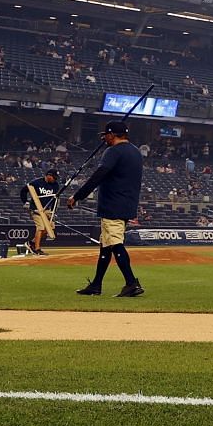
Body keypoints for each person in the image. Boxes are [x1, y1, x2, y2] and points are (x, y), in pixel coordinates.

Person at [67, 123, 145, 298]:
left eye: (105, 135)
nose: (103, 138)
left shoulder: (113, 152)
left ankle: (132, 283)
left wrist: (78, 196)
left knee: (115, 243)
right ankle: (96, 284)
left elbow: (99, 175)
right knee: (106, 246)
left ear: (112, 135)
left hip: (113, 205)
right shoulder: (135, 152)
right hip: (127, 203)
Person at [22, 167, 60, 255]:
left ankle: (31, 243)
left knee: (49, 228)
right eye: (54, 177)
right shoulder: (36, 182)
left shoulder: (55, 185)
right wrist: (26, 202)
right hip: (36, 208)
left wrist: (53, 211)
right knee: (41, 228)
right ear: (49, 176)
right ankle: (37, 249)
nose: (55, 179)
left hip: (47, 209)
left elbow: (55, 199)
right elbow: (23, 191)